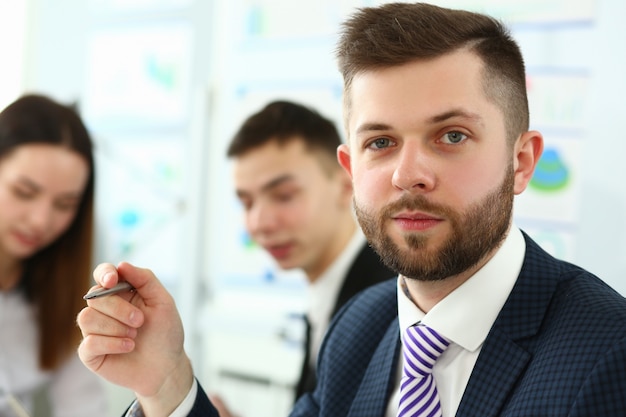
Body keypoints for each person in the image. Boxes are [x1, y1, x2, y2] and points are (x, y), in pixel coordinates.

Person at [76, 3, 626, 417]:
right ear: (350, 168)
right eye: (380, 143)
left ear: (522, 161)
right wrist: (167, 381)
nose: (408, 174)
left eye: (451, 135)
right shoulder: (359, 328)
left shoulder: (607, 355)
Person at [214, 100, 396, 411]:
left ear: (344, 184)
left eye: (284, 196)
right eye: (247, 203)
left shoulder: (385, 303)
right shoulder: (331, 290)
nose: (259, 222)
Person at [0, 94, 108, 416]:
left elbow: (85, 407)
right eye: (24, 192)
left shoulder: (59, 291)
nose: (41, 221)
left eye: (64, 204)